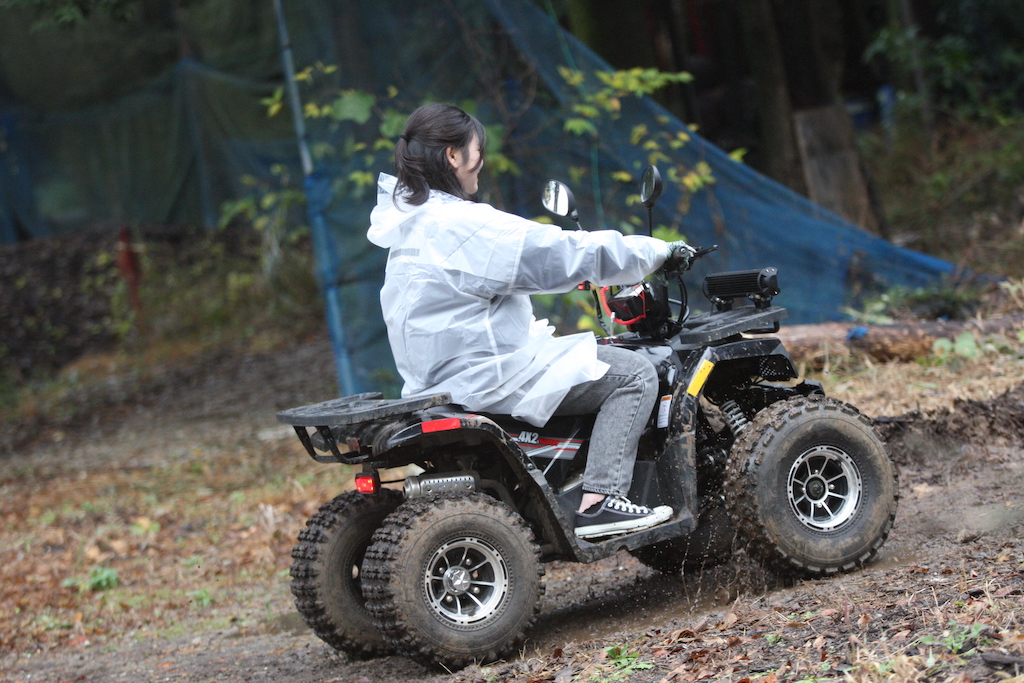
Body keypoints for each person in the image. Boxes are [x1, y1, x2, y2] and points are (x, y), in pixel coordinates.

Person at [367, 103, 693, 539]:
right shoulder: (465, 224)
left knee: (585, 357)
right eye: (478, 150)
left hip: (436, 379)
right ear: (454, 156)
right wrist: (656, 252)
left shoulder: (410, 223)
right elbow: (566, 253)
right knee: (634, 374)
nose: (481, 161)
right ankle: (602, 501)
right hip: (489, 376)